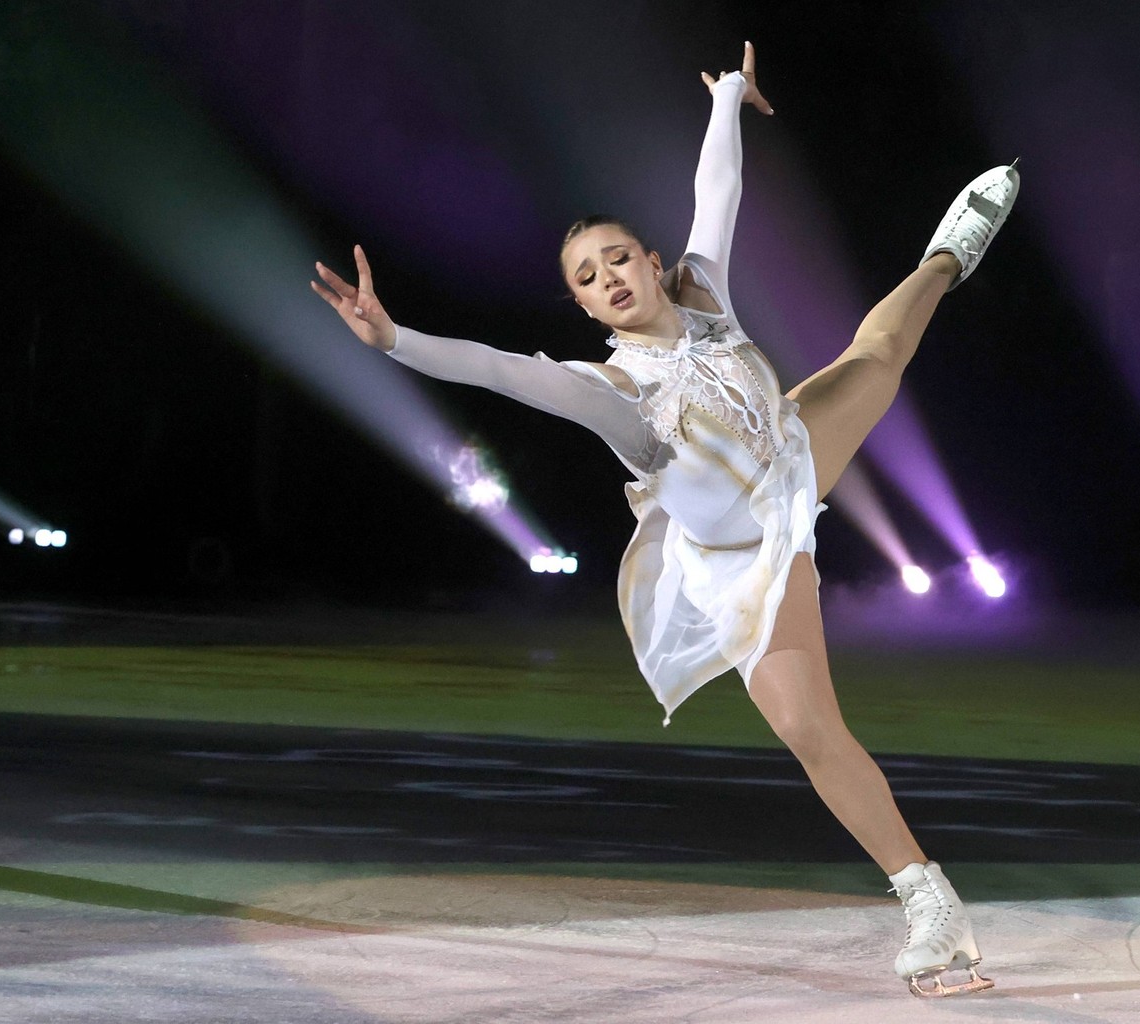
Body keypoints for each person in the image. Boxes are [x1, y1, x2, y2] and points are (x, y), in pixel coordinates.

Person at [313, 42, 1018, 997]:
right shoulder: (609, 392)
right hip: (740, 558)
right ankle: (929, 901)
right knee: (811, 729)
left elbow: (715, 196)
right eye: (583, 276)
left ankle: (945, 253)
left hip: (792, 454)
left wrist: (728, 98)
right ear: (579, 303)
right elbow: (496, 368)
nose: (606, 277)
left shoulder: (706, 297)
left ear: (650, 262)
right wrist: (395, 340)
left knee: (881, 353)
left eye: (616, 257)